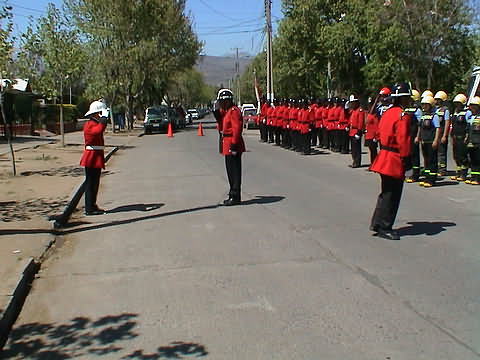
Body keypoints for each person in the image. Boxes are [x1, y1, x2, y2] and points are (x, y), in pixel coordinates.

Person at [370, 83, 412, 240]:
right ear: (403, 99)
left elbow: (380, 133)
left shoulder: (387, 113)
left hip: (384, 155)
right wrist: (407, 160)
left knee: (385, 192)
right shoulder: (402, 115)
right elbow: (403, 140)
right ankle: (385, 226)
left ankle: (377, 222)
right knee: (392, 194)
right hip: (394, 158)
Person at [213, 89, 246, 206]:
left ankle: (235, 195)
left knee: (235, 171)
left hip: (233, 143)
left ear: (228, 101)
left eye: (222, 101)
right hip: (226, 142)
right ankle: (232, 192)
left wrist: (234, 144)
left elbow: (237, 129)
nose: (221, 104)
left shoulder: (234, 111)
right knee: (229, 170)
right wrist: (216, 111)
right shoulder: (226, 111)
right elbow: (221, 121)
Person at [80, 100, 109, 216]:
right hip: (91, 156)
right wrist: (104, 119)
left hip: (95, 155)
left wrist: (103, 119)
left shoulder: (94, 123)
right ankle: (89, 208)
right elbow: (98, 131)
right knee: (90, 183)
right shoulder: (90, 124)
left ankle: (92, 205)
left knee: (95, 183)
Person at [417, 95, 441, 188]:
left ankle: (432, 179)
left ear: (430, 105)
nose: (424, 107)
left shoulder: (434, 116)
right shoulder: (423, 116)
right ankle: (427, 178)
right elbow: (420, 127)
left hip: (431, 141)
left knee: (432, 160)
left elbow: (438, 129)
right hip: (424, 141)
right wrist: (419, 137)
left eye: (426, 105)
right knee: (426, 160)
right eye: (423, 105)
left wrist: (436, 140)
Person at [450, 94, 469, 181]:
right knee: (456, 156)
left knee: (463, 156)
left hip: (463, 137)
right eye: (456, 103)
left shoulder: (466, 113)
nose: (457, 105)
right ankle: (458, 173)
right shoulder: (455, 112)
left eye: (459, 103)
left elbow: (469, 125)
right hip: (455, 137)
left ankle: (464, 174)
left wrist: (467, 136)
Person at [404, 89, 423, 183]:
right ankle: (408, 172)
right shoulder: (406, 109)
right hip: (406, 135)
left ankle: (415, 174)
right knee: (407, 154)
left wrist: (417, 137)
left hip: (414, 135)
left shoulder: (418, 110)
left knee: (415, 155)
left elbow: (420, 124)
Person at [434, 91, 451, 175]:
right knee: (434, 152)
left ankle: (442, 169)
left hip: (441, 134)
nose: (437, 101)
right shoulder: (434, 109)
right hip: (434, 134)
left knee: (441, 152)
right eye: (436, 99)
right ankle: (436, 167)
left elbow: (447, 122)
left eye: (438, 100)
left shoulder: (445, 110)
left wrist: (445, 135)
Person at [466, 96, 480, 185]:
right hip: (471, 141)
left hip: (478, 141)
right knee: (473, 160)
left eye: (475, 106)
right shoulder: (470, 117)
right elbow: (468, 129)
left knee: (478, 160)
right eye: (472, 106)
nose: (473, 108)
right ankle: (473, 177)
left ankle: (477, 179)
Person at [348, 95, 365, 168]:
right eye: (351, 103)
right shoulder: (353, 111)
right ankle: (354, 160)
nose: (352, 104)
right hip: (352, 131)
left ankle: (357, 162)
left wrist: (359, 132)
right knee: (353, 148)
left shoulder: (360, 110)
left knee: (357, 148)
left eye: (353, 102)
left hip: (356, 131)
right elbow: (350, 120)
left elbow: (360, 122)